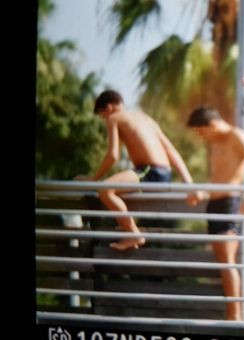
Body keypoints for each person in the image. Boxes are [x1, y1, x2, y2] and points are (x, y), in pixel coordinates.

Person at [75, 90, 193, 251]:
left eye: (103, 115)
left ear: (109, 108)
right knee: (115, 188)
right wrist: (189, 182)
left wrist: (93, 179)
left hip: (149, 171)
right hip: (163, 173)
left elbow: (113, 155)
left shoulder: (114, 118)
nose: (104, 120)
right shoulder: (146, 118)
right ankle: (131, 231)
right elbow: (171, 150)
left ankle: (133, 233)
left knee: (105, 190)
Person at [186, 106, 244, 321]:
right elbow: (218, 178)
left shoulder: (236, 136)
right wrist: (203, 193)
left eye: (201, 133)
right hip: (214, 204)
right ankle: (234, 313)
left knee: (228, 260)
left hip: (230, 203)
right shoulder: (215, 143)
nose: (201, 138)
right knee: (222, 260)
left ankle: (236, 315)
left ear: (210, 125)